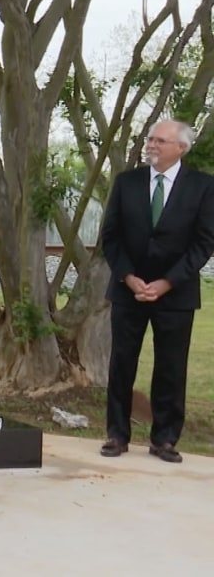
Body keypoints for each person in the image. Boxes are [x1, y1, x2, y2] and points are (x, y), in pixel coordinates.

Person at [100, 118, 214, 463]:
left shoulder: (203, 187)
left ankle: (165, 439)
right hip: (128, 291)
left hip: (175, 294)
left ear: (181, 147)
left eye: (160, 140)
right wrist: (128, 277)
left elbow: (204, 243)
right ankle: (116, 435)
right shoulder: (126, 182)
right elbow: (111, 237)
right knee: (121, 363)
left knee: (170, 367)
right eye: (150, 139)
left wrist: (166, 283)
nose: (151, 144)